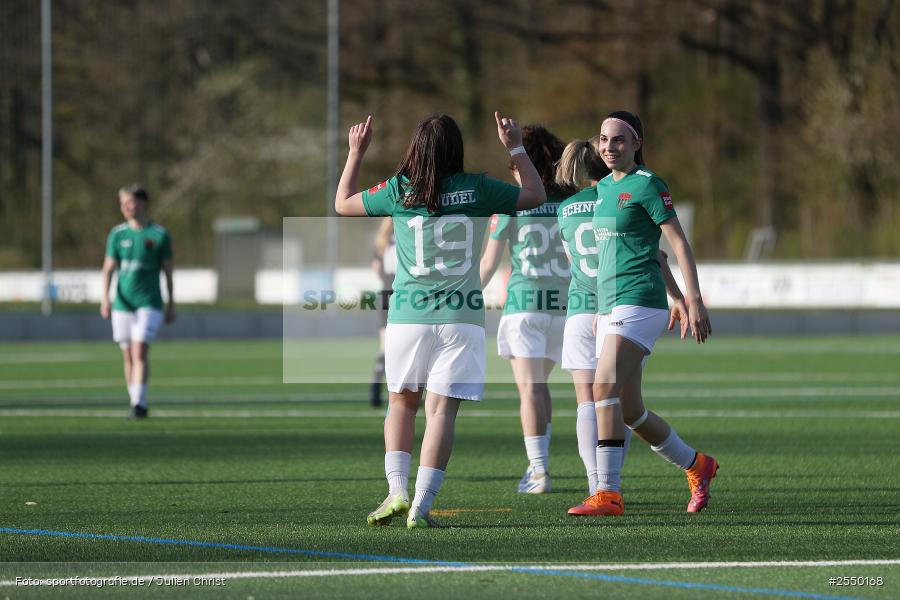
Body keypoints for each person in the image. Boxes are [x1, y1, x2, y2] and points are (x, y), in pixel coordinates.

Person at [334, 112, 546, 528]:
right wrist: (516, 147)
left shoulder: (399, 190)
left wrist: (355, 152)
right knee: (441, 414)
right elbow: (536, 195)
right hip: (461, 317)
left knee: (401, 403)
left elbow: (342, 203)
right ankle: (422, 506)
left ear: (415, 149)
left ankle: (397, 491)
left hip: (408, 316)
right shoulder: (477, 188)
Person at [566, 111, 715, 517]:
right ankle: (698, 465)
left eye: (618, 140)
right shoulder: (605, 192)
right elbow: (653, 253)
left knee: (602, 388)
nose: (609, 147)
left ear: (636, 145)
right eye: (603, 140)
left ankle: (608, 494)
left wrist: (691, 298)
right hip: (610, 306)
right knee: (630, 410)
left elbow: (677, 244)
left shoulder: (648, 185)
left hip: (640, 302)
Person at [554, 139, 690, 500]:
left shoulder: (566, 209)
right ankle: (690, 465)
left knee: (596, 397)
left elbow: (574, 265)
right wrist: (678, 295)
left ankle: (601, 487)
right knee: (624, 404)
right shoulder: (611, 199)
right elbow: (655, 254)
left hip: (594, 306)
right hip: (609, 306)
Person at [480, 126, 571, 494]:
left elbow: (488, 264)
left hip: (526, 305)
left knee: (529, 390)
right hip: (567, 306)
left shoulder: (512, 202)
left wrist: (462, 295)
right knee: (543, 386)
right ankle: (591, 474)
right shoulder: (573, 202)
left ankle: (538, 470)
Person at [100, 185, 176, 419]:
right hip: (123, 304)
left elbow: (168, 272)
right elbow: (108, 269)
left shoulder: (159, 235)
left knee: (139, 351)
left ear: (143, 203)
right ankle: (134, 399)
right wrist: (105, 299)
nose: (125, 207)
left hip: (149, 302)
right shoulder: (117, 234)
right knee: (128, 355)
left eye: (129, 202)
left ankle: (139, 403)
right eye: (122, 203)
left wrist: (171, 303)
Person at [370, 217, 397, 407]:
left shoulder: (383, 242)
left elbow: (376, 270)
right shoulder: (411, 237)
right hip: (407, 295)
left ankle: (376, 390)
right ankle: (404, 393)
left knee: (384, 347)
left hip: (386, 294)